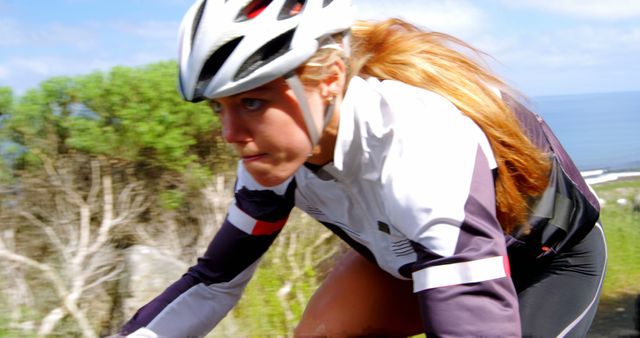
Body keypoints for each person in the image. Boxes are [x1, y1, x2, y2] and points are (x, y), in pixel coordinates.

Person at [116, 0, 607, 336]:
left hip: (548, 265)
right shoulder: (274, 154)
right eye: (217, 108)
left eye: (251, 102)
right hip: (418, 261)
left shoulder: (415, 143)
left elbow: (468, 309)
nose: (229, 134)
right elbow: (215, 281)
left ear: (330, 78)